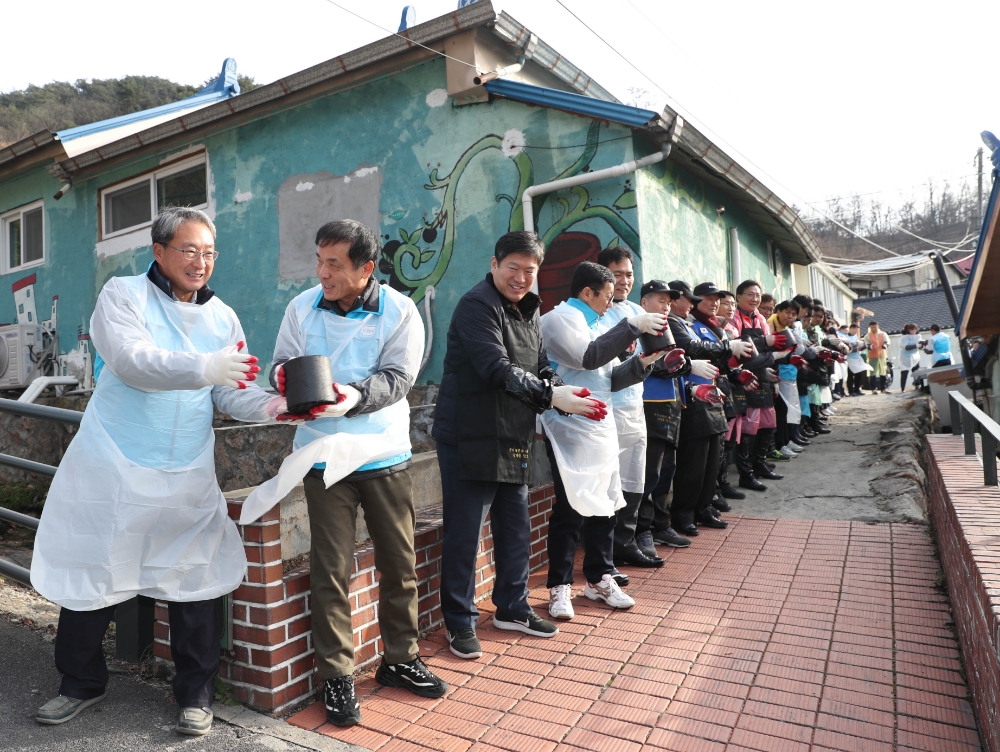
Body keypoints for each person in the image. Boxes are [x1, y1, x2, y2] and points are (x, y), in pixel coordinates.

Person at [31, 207, 286, 736]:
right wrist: (206, 366)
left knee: (195, 580)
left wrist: (275, 406)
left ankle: (196, 694)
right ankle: (80, 683)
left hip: (185, 470)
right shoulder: (123, 295)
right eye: (189, 250)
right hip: (114, 466)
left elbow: (229, 391)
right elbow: (133, 362)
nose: (200, 262)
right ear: (159, 251)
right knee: (95, 572)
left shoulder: (222, 318)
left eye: (209, 253)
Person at [269, 219, 447, 726]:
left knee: (399, 563)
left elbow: (398, 378)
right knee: (330, 569)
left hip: (382, 453)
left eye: (334, 264)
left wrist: (352, 397)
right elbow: (282, 363)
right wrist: (286, 384)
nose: (322, 273)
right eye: (319, 261)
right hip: (321, 456)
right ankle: (337, 676)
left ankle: (400, 659)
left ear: (366, 268)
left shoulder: (400, 310)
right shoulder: (301, 307)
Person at [433, 231, 599, 661]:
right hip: (470, 434)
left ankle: (512, 607)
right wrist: (551, 396)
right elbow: (495, 367)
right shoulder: (476, 305)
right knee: (465, 533)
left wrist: (563, 390)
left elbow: (540, 365)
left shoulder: (529, 310)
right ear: (494, 264)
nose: (521, 278)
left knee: (515, 528)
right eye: (513, 268)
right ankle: (459, 621)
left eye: (530, 270)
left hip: (513, 432)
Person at [541, 262, 670, 620]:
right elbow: (588, 357)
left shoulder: (598, 323)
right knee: (570, 508)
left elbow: (608, 377)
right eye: (608, 297)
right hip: (567, 426)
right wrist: (631, 325)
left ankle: (599, 577)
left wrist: (644, 362)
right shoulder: (560, 319)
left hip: (600, 425)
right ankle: (559, 585)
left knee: (606, 505)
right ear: (588, 293)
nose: (612, 305)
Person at [597, 247, 674, 568]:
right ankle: (602, 554)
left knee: (634, 479)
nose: (624, 280)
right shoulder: (596, 312)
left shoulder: (635, 310)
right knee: (607, 483)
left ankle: (626, 543)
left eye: (629, 274)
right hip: (605, 410)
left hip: (634, 406)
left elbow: (652, 356)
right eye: (617, 274)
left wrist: (668, 360)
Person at [668, 280, 753, 536]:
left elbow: (715, 360)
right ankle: (684, 514)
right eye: (691, 300)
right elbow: (691, 349)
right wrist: (728, 346)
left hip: (712, 396)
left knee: (711, 461)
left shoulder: (690, 324)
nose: (692, 305)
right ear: (675, 299)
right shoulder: (673, 323)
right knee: (693, 464)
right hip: (692, 398)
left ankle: (703, 508)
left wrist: (735, 370)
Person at [635, 281, 701, 551]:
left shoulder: (665, 327)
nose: (666, 306)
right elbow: (651, 365)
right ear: (644, 302)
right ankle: (643, 530)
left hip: (672, 406)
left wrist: (691, 386)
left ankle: (661, 525)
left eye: (668, 301)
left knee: (666, 472)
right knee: (649, 473)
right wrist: (685, 366)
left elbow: (676, 366)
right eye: (661, 301)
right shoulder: (638, 327)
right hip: (650, 405)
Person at [730, 280, 792, 491]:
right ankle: (745, 474)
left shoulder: (760, 319)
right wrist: (767, 345)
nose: (755, 299)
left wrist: (770, 370)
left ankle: (760, 464)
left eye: (757, 295)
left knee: (768, 425)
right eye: (750, 294)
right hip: (745, 378)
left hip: (762, 376)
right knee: (748, 429)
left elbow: (765, 351)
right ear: (738, 296)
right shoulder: (734, 318)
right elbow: (741, 350)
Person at [844, 323, 868, 396]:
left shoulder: (855, 336)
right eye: (855, 329)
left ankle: (857, 389)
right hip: (850, 358)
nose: (855, 331)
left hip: (857, 357)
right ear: (851, 328)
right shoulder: (846, 336)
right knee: (850, 375)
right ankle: (851, 391)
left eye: (857, 330)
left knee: (859, 374)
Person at [865, 320, 889, 393]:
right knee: (872, 372)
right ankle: (874, 388)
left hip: (882, 355)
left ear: (878, 326)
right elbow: (866, 344)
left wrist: (885, 345)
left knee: (883, 372)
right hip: (872, 356)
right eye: (872, 327)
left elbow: (887, 341)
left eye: (875, 327)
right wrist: (869, 346)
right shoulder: (867, 336)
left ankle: (883, 388)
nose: (873, 329)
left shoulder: (883, 334)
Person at [899, 322, 921, 391]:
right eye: (912, 330)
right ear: (908, 330)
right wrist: (916, 345)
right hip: (906, 356)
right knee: (904, 372)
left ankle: (917, 385)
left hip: (915, 356)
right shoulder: (904, 337)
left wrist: (922, 345)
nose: (914, 331)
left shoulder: (918, 336)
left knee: (916, 370)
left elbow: (920, 345)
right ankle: (903, 388)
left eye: (915, 329)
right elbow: (905, 347)